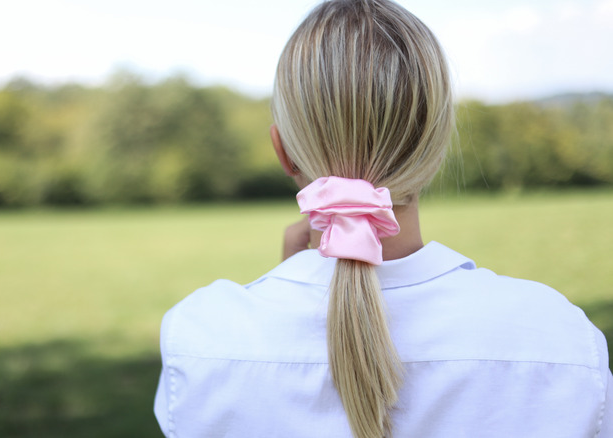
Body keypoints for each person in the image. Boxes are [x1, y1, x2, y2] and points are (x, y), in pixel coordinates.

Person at [154, 0, 612, 436]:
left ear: (283, 151)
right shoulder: (563, 340)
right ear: (435, 148)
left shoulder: (198, 340)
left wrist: (289, 283)